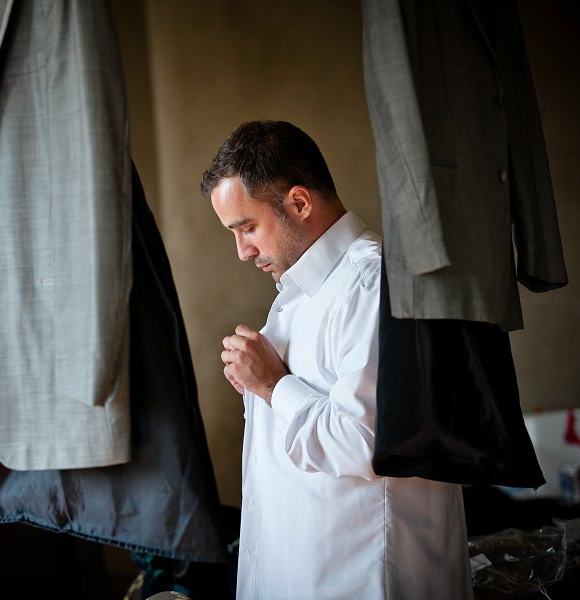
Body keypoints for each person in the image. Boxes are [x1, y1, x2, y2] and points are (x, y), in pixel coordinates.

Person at [200, 120, 472, 599]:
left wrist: (272, 386)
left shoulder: (374, 286)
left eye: (247, 228)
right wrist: (264, 395)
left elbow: (365, 441)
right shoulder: (302, 291)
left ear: (299, 203)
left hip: (363, 579)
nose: (242, 252)